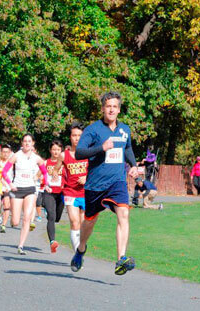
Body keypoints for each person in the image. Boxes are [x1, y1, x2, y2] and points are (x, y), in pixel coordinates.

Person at [70, 92, 139, 276]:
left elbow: (128, 148)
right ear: (103, 109)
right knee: (90, 221)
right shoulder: (93, 130)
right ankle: (81, 249)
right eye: (108, 106)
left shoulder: (124, 130)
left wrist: (133, 165)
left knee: (123, 213)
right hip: (95, 185)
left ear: (119, 109)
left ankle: (121, 259)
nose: (111, 109)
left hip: (117, 182)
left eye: (114, 106)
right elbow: (79, 153)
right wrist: (102, 148)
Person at [2, 134, 48, 255]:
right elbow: (4, 172)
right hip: (17, 189)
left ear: (33, 143)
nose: (27, 143)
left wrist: (46, 183)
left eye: (29, 141)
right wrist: (10, 184)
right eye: (25, 141)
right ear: (22, 143)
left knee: (27, 218)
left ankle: (21, 245)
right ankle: (12, 219)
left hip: (30, 189)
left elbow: (44, 171)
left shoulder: (37, 158)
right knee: (16, 221)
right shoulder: (16, 156)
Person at [62, 122, 89, 252]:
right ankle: (77, 254)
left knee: (83, 225)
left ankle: (81, 248)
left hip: (86, 193)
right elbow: (55, 169)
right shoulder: (64, 155)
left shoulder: (89, 153)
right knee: (74, 222)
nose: (77, 138)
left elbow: (97, 170)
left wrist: (86, 177)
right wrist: (55, 175)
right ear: (70, 137)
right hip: (70, 192)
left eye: (79, 135)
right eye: (74, 135)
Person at [42, 140, 65, 253]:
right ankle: (52, 242)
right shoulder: (46, 163)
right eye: (54, 149)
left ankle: (50, 212)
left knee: (56, 218)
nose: (56, 152)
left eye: (58, 150)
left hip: (61, 193)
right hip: (49, 192)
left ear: (61, 151)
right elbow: (38, 175)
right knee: (51, 216)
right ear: (50, 150)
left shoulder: (65, 163)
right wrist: (43, 184)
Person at [0, 144, 13, 233]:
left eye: (7, 152)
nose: (5, 154)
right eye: (3, 152)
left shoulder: (12, 163)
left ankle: (3, 225)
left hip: (8, 187)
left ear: (10, 153)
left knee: (7, 206)